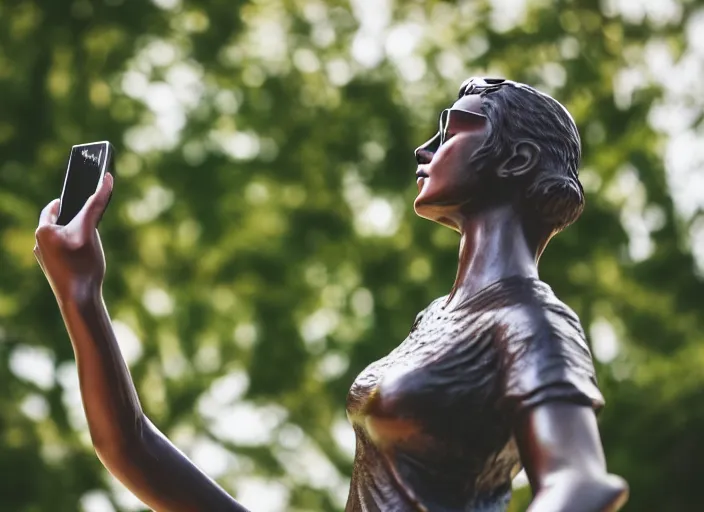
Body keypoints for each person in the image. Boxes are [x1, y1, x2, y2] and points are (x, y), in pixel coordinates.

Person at [34, 77, 628, 511]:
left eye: (452, 130)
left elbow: (580, 485)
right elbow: (128, 449)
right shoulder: (435, 321)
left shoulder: (530, 321)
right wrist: (80, 294)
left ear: (517, 158)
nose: (423, 149)